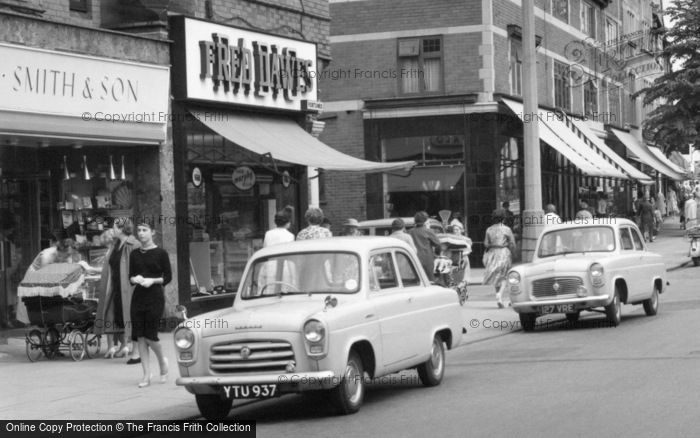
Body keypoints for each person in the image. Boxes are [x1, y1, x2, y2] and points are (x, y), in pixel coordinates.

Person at [129, 221, 172, 388]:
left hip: (154, 296)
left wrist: (152, 280)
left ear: (152, 232)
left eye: (144, 230)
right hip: (138, 297)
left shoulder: (161, 253)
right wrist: (135, 279)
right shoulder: (134, 254)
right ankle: (146, 374)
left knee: (150, 336)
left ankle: (162, 361)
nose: (141, 233)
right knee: (140, 336)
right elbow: (130, 276)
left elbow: (167, 277)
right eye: (138, 230)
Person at [16, 235, 95, 325]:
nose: (68, 257)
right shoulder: (47, 255)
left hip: (50, 281)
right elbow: (46, 275)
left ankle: (53, 320)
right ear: (60, 250)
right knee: (40, 307)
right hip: (36, 279)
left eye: (70, 254)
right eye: (68, 254)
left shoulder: (65, 256)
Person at [95, 218, 141, 364]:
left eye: (114, 226)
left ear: (122, 229)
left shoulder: (133, 244)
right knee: (112, 314)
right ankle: (122, 345)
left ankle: (135, 351)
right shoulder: (116, 244)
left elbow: (140, 266)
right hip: (114, 286)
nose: (112, 229)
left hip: (129, 287)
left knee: (130, 317)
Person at [483, 208, 515, 308]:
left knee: (496, 277)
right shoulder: (507, 229)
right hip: (504, 252)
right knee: (505, 276)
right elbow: (512, 243)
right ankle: (500, 294)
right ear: (503, 218)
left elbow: (486, 244)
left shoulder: (489, 229)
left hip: (492, 253)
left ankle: (499, 299)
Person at [408, 211, 440, 281]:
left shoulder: (410, 231)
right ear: (425, 221)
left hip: (413, 259)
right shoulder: (428, 231)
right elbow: (437, 243)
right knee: (430, 281)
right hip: (427, 260)